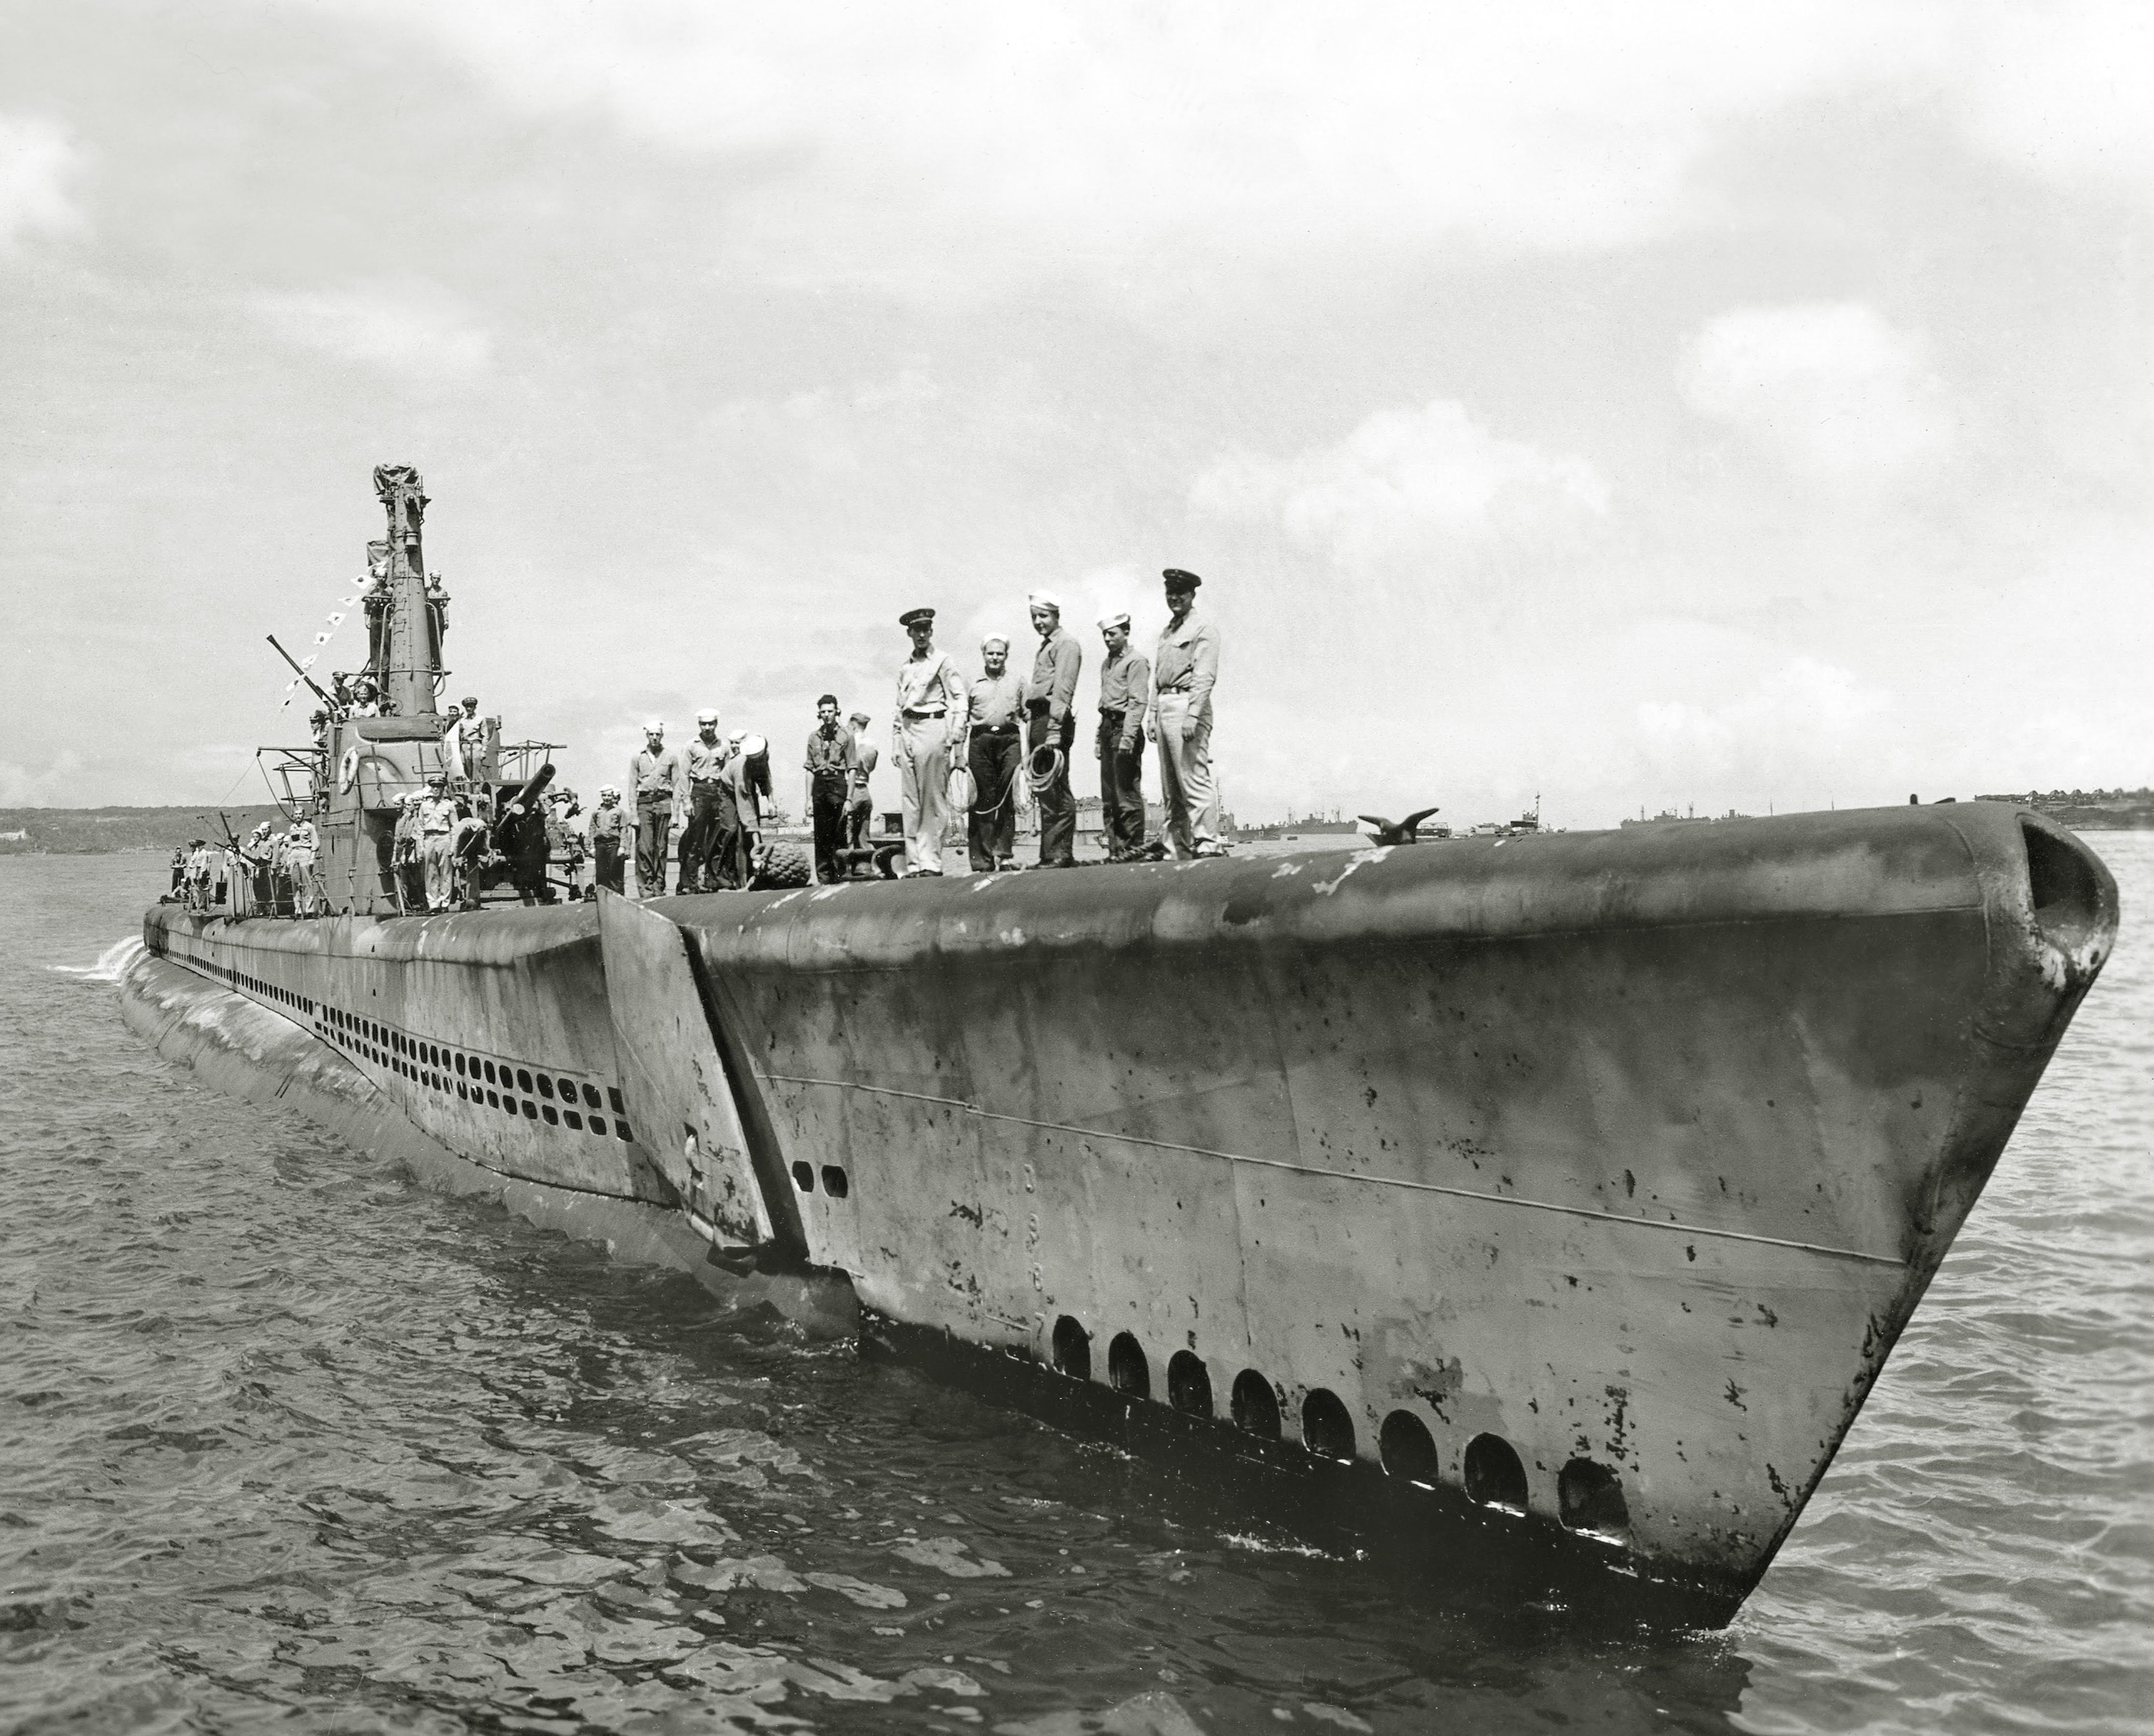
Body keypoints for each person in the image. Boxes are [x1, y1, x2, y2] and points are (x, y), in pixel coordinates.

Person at [1147, 568, 1226, 858]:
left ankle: (1208, 845)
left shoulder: (1203, 629)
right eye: (1170, 593)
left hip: (1187, 705)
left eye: (1180, 593)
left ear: (1192, 595)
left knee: (1193, 780)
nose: (1175, 598)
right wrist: (1152, 715)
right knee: (1171, 788)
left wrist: (1193, 714)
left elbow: (1204, 676)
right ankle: (1176, 848)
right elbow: (1159, 677)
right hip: (1166, 705)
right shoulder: (1168, 632)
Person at [893, 608, 965, 876]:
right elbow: (899, 708)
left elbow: (959, 699)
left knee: (933, 801)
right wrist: (896, 742)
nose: (921, 635)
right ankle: (914, 863)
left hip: (933, 726)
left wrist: (956, 735)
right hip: (909, 730)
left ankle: (931, 862)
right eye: (916, 630)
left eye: (926, 630)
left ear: (931, 632)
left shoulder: (943, 661)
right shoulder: (905, 668)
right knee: (911, 802)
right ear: (910, 633)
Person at [1024, 590, 1082, 868]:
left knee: (1056, 787)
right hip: (1039, 721)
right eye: (1034, 617)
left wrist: (1055, 729)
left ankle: (1061, 853)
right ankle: (1049, 853)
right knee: (1044, 789)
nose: (1038, 622)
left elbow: (1063, 690)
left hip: (1052, 720)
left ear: (1057, 616)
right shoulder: (1046, 646)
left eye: (1044, 616)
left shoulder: (1066, 645)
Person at [965, 634, 1025, 872]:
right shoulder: (972, 681)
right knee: (982, 799)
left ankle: (1005, 854)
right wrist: (959, 753)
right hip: (981, 740)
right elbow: (962, 717)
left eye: (1000, 654)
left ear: (1006, 656)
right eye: (991, 653)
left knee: (1008, 797)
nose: (995, 658)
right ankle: (982, 860)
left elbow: (1027, 715)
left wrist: (1029, 754)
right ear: (984, 655)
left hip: (1010, 739)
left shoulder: (1018, 681)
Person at [1096, 611, 1151, 861]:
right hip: (1108, 727)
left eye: (1112, 634)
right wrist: (1099, 738)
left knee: (1126, 794)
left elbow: (1138, 702)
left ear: (1126, 633)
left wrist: (1128, 738)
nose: (1107, 639)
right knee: (1109, 798)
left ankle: (1132, 849)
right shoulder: (1107, 664)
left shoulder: (1136, 662)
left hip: (1124, 728)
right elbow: (1105, 704)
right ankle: (1115, 850)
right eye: (1105, 634)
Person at [804, 695, 855, 883]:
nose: (827, 715)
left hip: (838, 785)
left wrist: (849, 799)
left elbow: (852, 768)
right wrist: (808, 800)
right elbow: (809, 769)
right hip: (819, 785)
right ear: (819, 714)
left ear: (837, 712)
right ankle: (824, 878)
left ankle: (841, 876)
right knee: (821, 836)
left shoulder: (846, 736)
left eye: (830, 711)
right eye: (823, 712)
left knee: (839, 834)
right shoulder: (813, 737)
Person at [630, 719, 683, 897]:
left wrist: (676, 815)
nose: (654, 738)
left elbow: (677, 786)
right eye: (651, 735)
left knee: (661, 849)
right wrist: (634, 815)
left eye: (657, 735)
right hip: (644, 804)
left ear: (662, 736)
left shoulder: (671, 757)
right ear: (647, 736)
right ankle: (646, 889)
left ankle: (659, 887)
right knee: (645, 848)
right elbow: (631, 787)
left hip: (664, 803)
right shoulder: (638, 758)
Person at [678, 709, 728, 893]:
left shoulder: (724, 745)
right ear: (699, 725)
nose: (707, 728)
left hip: (717, 792)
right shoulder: (691, 746)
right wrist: (686, 801)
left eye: (711, 724)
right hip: (698, 792)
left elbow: (728, 772)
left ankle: (711, 881)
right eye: (704, 724)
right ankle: (689, 884)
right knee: (695, 840)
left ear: (716, 724)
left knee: (715, 841)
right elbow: (684, 775)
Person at [721, 735, 772, 888]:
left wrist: (771, 802)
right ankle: (737, 881)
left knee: (751, 835)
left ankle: (756, 876)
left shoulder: (763, 755)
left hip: (750, 786)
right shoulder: (740, 770)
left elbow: (766, 778)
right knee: (735, 834)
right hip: (728, 791)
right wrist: (758, 846)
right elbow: (747, 812)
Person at [418, 774, 459, 912]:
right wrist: (421, 846)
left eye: (439, 787)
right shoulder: (424, 806)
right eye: (434, 787)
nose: (436, 790)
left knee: (446, 873)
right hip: (429, 839)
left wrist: (454, 846)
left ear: (443, 789)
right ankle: (434, 904)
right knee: (431, 873)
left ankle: (444, 903)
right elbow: (420, 828)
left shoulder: (449, 806)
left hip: (444, 838)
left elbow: (455, 827)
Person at [845, 710, 879, 853]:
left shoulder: (850, 741)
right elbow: (873, 767)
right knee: (864, 839)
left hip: (851, 791)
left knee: (848, 839)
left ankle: (848, 871)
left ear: (853, 724)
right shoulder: (872, 744)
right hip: (865, 790)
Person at [588, 786, 629, 894]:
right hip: (600, 844)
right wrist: (591, 847)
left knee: (614, 871)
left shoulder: (619, 812)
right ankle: (602, 896)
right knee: (601, 872)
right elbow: (592, 829)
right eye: (604, 796)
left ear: (613, 796)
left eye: (609, 796)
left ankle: (617, 896)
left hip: (613, 844)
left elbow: (623, 829)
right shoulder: (596, 812)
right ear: (602, 797)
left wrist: (622, 847)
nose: (607, 798)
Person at [286, 815, 320, 916]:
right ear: (293, 816)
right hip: (294, 855)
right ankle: (299, 910)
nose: (298, 816)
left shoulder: (310, 827)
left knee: (307, 883)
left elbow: (315, 843)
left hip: (305, 853)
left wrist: (312, 859)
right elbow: (291, 844)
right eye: (296, 814)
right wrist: (289, 858)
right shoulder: (292, 828)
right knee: (295, 883)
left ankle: (309, 910)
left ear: (303, 815)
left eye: (300, 814)